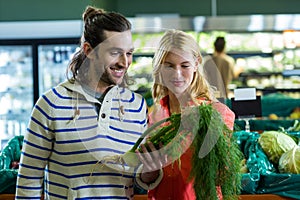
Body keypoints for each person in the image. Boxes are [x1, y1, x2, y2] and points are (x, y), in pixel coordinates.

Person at [15, 6, 162, 199]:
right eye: (115, 52)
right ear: (89, 51)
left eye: (129, 53)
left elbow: (136, 179)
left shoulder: (137, 106)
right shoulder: (51, 105)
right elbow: (29, 180)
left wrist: (149, 172)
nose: (124, 62)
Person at [147, 30, 240, 200]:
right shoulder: (152, 115)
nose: (177, 74)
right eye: (169, 65)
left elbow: (223, 177)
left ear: (196, 63)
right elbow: (149, 179)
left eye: (184, 65)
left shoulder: (216, 113)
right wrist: (148, 171)